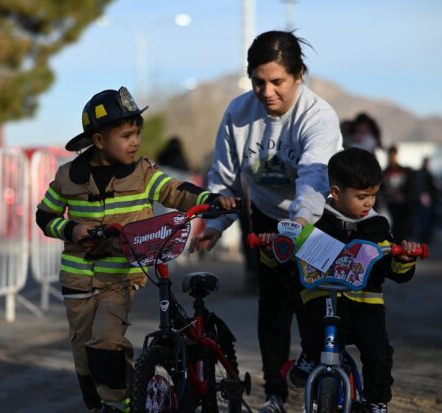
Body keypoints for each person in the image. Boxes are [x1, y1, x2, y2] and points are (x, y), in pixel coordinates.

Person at [35, 86, 238, 413]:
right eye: (126, 135)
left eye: (138, 134)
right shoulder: (67, 176)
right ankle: (103, 404)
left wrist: (210, 199)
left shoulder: (143, 173)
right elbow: (45, 215)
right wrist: (71, 229)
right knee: (83, 354)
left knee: (106, 342)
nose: (136, 141)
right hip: (77, 278)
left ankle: (126, 404)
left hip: (121, 275)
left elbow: (176, 190)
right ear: (99, 140)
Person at [190, 30, 342, 412]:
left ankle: (317, 378)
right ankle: (275, 394)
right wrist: (214, 224)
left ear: (299, 75)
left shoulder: (318, 116)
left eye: (277, 82)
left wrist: (301, 224)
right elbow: (224, 179)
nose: (267, 92)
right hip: (268, 223)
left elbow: (314, 178)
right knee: (272, 312)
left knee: (315, 309)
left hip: (315, 222)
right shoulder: (239, 113)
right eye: (258, 82)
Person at [285, 148, 421, 413]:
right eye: (361, 196)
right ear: (336, 193)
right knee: (316, 331)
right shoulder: (317, 221)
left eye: (373, 195)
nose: (369, 202)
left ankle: (376, 402)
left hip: (365, 302)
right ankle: (309, 358)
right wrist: (276, 245)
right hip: (324, 297)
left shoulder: (377, 226)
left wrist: (404, 259)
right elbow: (291, 256)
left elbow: (393, 271)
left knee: (379, 352)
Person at [380, 146, 415, 243]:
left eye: (393, 155)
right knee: (394, 225)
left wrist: (405, 196)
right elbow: (382, 188)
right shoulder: (385, 172)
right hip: (391, 203)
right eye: (390, 155)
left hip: (403, 204)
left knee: (404, 225)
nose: (392, 158)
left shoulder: (404, 171)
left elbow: (410, 186)